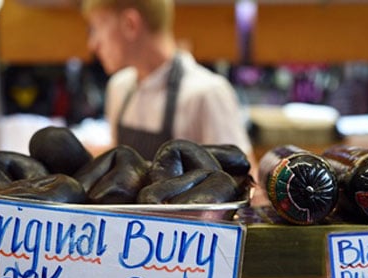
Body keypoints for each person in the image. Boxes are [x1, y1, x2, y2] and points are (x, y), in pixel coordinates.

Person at [82, 0, 257, 170]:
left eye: (97, 28)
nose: (92, 45)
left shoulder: (207, 93)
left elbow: (244, 180)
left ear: (130, 24)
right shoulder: (118, 88)